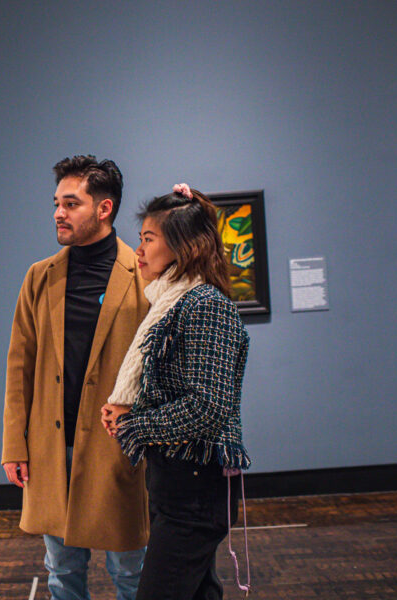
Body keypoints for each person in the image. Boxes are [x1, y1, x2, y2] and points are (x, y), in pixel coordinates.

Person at [2, 155, 150, 600]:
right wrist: (15, 445)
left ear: (103, 209)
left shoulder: (143, 274)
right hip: (52, 446)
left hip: (118, 445)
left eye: (70, 203)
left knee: (130, 572)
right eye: (56, 203)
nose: (58, 214)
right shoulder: (39, 277)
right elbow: (18, 366)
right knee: (62, 573)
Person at [101, 184, 251, 600]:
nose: (139, 250)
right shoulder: (172, 301)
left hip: (195, 489)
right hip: (177, 481)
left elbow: (209, 407)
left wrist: (135, 422)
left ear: (182, 245)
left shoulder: (203, 304)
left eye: (148, 239)